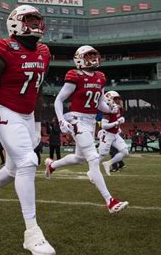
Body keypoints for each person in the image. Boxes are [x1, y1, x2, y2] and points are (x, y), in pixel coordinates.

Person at [0, 5, 56, 255]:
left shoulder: (43, 52)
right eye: (31, 20)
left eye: (38, 21)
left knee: (13, 168)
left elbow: (39, 90)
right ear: (16, 23)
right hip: (5, 110)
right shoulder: (2, 51)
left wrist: (36, 126)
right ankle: (31, 233)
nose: (37, 26)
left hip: (27, 114)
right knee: (28, 162)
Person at [44, 45, 128, 214]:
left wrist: (110, 109)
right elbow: (59, 100)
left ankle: (53, 165)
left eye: (94, 55)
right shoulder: (75, 75)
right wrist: (61, 120)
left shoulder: (100, 77)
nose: (93, 59)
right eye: (89, 56)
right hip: (77, 118)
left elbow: (100, 104)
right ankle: (110, 201)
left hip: (90, 121)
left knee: (79, 158)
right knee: (93, 157)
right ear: (80, 58)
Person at [98, 91, 129, 176]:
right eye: (116, 99)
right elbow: (104, 125)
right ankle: (92, 170)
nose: (119, 100)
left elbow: (119, 114)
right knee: (101, 155)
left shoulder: (118, 108)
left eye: (119, 98)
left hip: (115, 134)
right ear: (110, 99)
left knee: (125, 152)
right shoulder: (107, 110)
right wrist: (117, 122)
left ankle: (108, 163)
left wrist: (120, 122)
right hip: (107, 134)